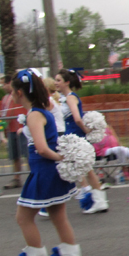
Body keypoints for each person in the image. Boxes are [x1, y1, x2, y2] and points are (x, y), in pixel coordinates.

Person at [11, 69, 83, 256]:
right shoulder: (44, 111)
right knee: (58, 216)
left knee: (23, 218)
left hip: (44, 170)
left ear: (19, 92)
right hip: (51, 171)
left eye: (13, 91)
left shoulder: (34, 114)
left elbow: (42, 149)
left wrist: (60, 157)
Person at [55, 69, 109, 214]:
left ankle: (98, 200)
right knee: (84, 170)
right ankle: (96, 199)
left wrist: (86, 131)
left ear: (67, 82)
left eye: (59, 80)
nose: (56, 83)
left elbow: (77, 118)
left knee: (85, 169)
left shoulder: (70, 97)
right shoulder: (64, 97)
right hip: (72, 135)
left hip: (75, 136)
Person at [0, 75, 28, 189]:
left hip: (22, 129)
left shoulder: (21, 95)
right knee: (14, 155)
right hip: (11, 129)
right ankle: (16, 178)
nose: (2, 87)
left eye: (4, 84)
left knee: (28, 154)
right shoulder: (6, 98)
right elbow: (2, 113)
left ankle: (33, 176)